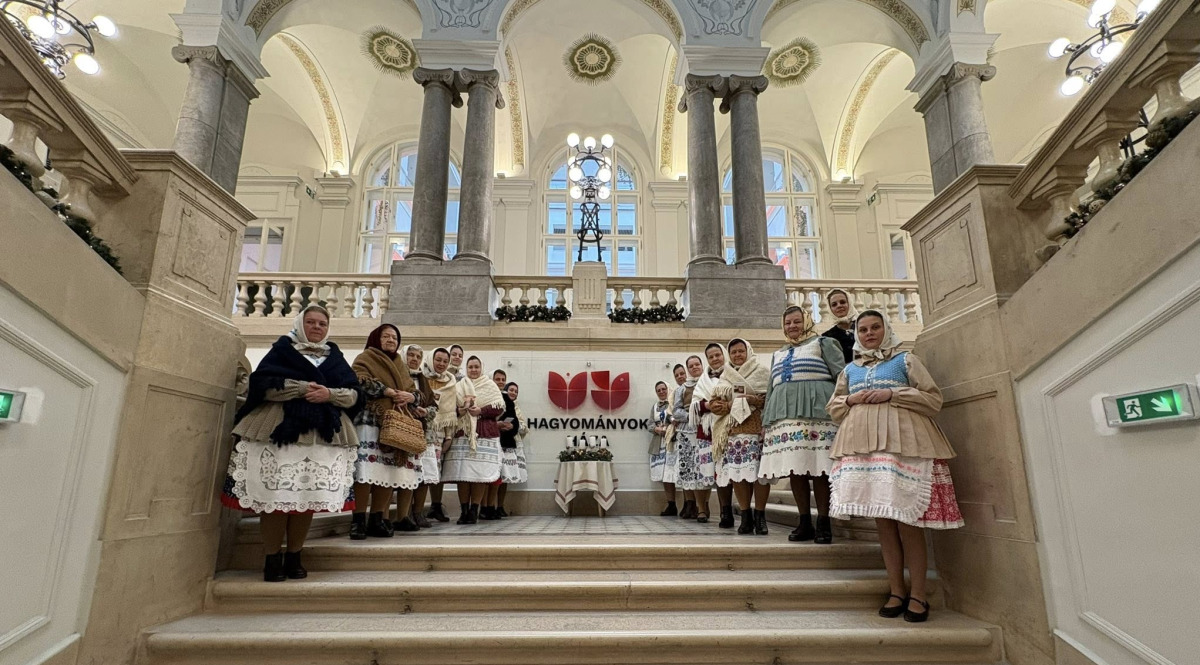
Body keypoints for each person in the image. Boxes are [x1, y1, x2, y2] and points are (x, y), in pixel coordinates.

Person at [827, 310, 963, 623]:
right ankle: (896, 590)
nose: (869, 333)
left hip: (903, 445)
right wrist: (851, 400)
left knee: (908, 521)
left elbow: (933, 399)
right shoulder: (850, 370)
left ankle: (918, 593)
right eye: (862, 329)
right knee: (884, 525)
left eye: (875, 328)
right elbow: (834, 407)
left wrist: (893, 393)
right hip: (863, 450)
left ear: (885, 329)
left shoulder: (905, 361)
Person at [221, 304, 361, 582]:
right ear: (300, 323)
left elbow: (355, 394)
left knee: (306, 500)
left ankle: (295, 554)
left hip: (323, 437)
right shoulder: (282, 350)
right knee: (274, 498)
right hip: (280, 434)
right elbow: (261, 384)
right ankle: (272, 558)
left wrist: (329, 394)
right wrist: (299, 388)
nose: (317, 327)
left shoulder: (335, 357)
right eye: (311, 322)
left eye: (322, 323)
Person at [759, 305, 846, 544]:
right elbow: (771, 388)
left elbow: (842, 376)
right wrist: (766, 420)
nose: (792, 326)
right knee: (795, 470)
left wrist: (845, 406)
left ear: (806, 321)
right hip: (784, 417)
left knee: (819, 470)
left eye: (796, 321)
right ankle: (804, 521)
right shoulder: (778, 353)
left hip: (818, 415)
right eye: (788, 323)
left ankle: (824, 522)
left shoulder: (823, 343)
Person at [347, 325, 423, 539]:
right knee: (366, 472)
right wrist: (386, 391)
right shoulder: (366, 357)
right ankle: (358, 520)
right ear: (376, 338)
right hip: (372, 419)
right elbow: (358, 380)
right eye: (386, 336)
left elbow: (413, 390)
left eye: (394, 337)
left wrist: (410, 397)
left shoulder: (400, 363)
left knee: (388, 472)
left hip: (397, 422)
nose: (391, 340)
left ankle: (377, 518)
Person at [715, 339, 771, 535]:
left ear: (748, 351)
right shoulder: (725, 376)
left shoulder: (762, 371)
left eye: (741, 351)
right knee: (738, 475)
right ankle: (746, 516)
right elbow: (717, 403)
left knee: (760, 476)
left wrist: (753, 399)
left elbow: (770, 399)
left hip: (758, 427)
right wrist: (726, 405)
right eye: (734, 352)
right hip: (734, 429)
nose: (737, 355)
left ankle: (760, 517)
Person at [441, 356, 506, 524]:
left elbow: (499, 406)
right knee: (463, 475)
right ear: (466, 368)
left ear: (481, 368)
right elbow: (448, 407)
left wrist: (481, 411)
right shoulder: (459, 385)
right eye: (470, 367)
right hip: (462, 434)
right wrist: (460, 410)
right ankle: (464, 511)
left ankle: (474, 510)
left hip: (483, 434)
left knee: (479, 475)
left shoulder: (490, 385)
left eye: (476, 366)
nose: (474, 370)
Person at [689, 345, 730, 525]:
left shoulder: (733, 374)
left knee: (723, 473)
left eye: (717, 355)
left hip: (727, 429)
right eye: (711, 356)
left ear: (723, 355)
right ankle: (702, 509)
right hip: (706, 431)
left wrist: (726, 405)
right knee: (703, 473)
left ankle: (725, 510)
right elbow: (694, 405)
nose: (715, 359)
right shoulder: (703, 380)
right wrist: (708, 406)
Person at [427, 344, 466, 522]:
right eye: (439, 360)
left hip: (442, 432)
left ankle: (436, 505)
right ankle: (414, 509)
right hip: (421, 428)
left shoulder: (452, 381)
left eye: (445, 361)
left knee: (437, 470)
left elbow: (451, 411)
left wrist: (449, 436)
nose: (442, 363)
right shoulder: (421, 376)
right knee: (420, 470)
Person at [401, 343, 438, 529]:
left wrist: (425, 411)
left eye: (418, 356)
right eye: (411, 355)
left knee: (424, 476)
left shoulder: (423, 379)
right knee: (407, 474)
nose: (414, 359)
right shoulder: (399, 375)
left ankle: (418, 512)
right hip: (403, 430)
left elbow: (433, 406)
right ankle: (405, 513)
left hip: (423, 432)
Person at [672, 355, 709, 520]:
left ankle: (704, 505)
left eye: (697, 364)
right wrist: (691, 415)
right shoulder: (682, 388)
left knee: (704, 469)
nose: (694, 367)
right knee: (690, 470)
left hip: (706, 428)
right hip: (687, 433)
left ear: (702, 365)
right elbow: (676, 411)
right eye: (691, 366)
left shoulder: (710, 382)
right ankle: (694, 506)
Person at [484, 369, 521, 520]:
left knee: (502, 477)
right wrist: (496, 425)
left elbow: (514, 419)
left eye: (502, 379)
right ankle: (485, 506)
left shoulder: (507, 399)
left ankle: (496, 506)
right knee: (488, 477)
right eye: (497, 379)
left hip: (504, 440)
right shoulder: (486, 394)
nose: (500, 382)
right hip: (489, 439)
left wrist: (512, 426)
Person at [647, 380, 677, 516]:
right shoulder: (654, 407)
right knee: (665, 476)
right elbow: (649, 424)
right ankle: (671, 504)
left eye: (663, 389)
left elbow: (676, 419)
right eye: (658, 390)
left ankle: (690, 503)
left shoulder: (674, 403)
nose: (661, 392)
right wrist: (657, 429)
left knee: (673, 472)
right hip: (659, 443)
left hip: (672, 442)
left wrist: (669, 428)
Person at [502, 381, 529, 517]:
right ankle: (490, 506)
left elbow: (524, 426)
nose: (513, 393)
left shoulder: (516, 407)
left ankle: (500, 506)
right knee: (497, 478)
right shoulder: (501, 402)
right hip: (501, 442)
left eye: (516, 391)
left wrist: (515, 426)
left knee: (506, 478)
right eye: (511, 390)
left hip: (514, 443)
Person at [822, 289, 858, 364]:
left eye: (843, 302)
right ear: (830, 309)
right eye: (834, 304)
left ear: (849, 304)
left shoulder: (863, 327)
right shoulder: (827, 337)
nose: (839, 306)